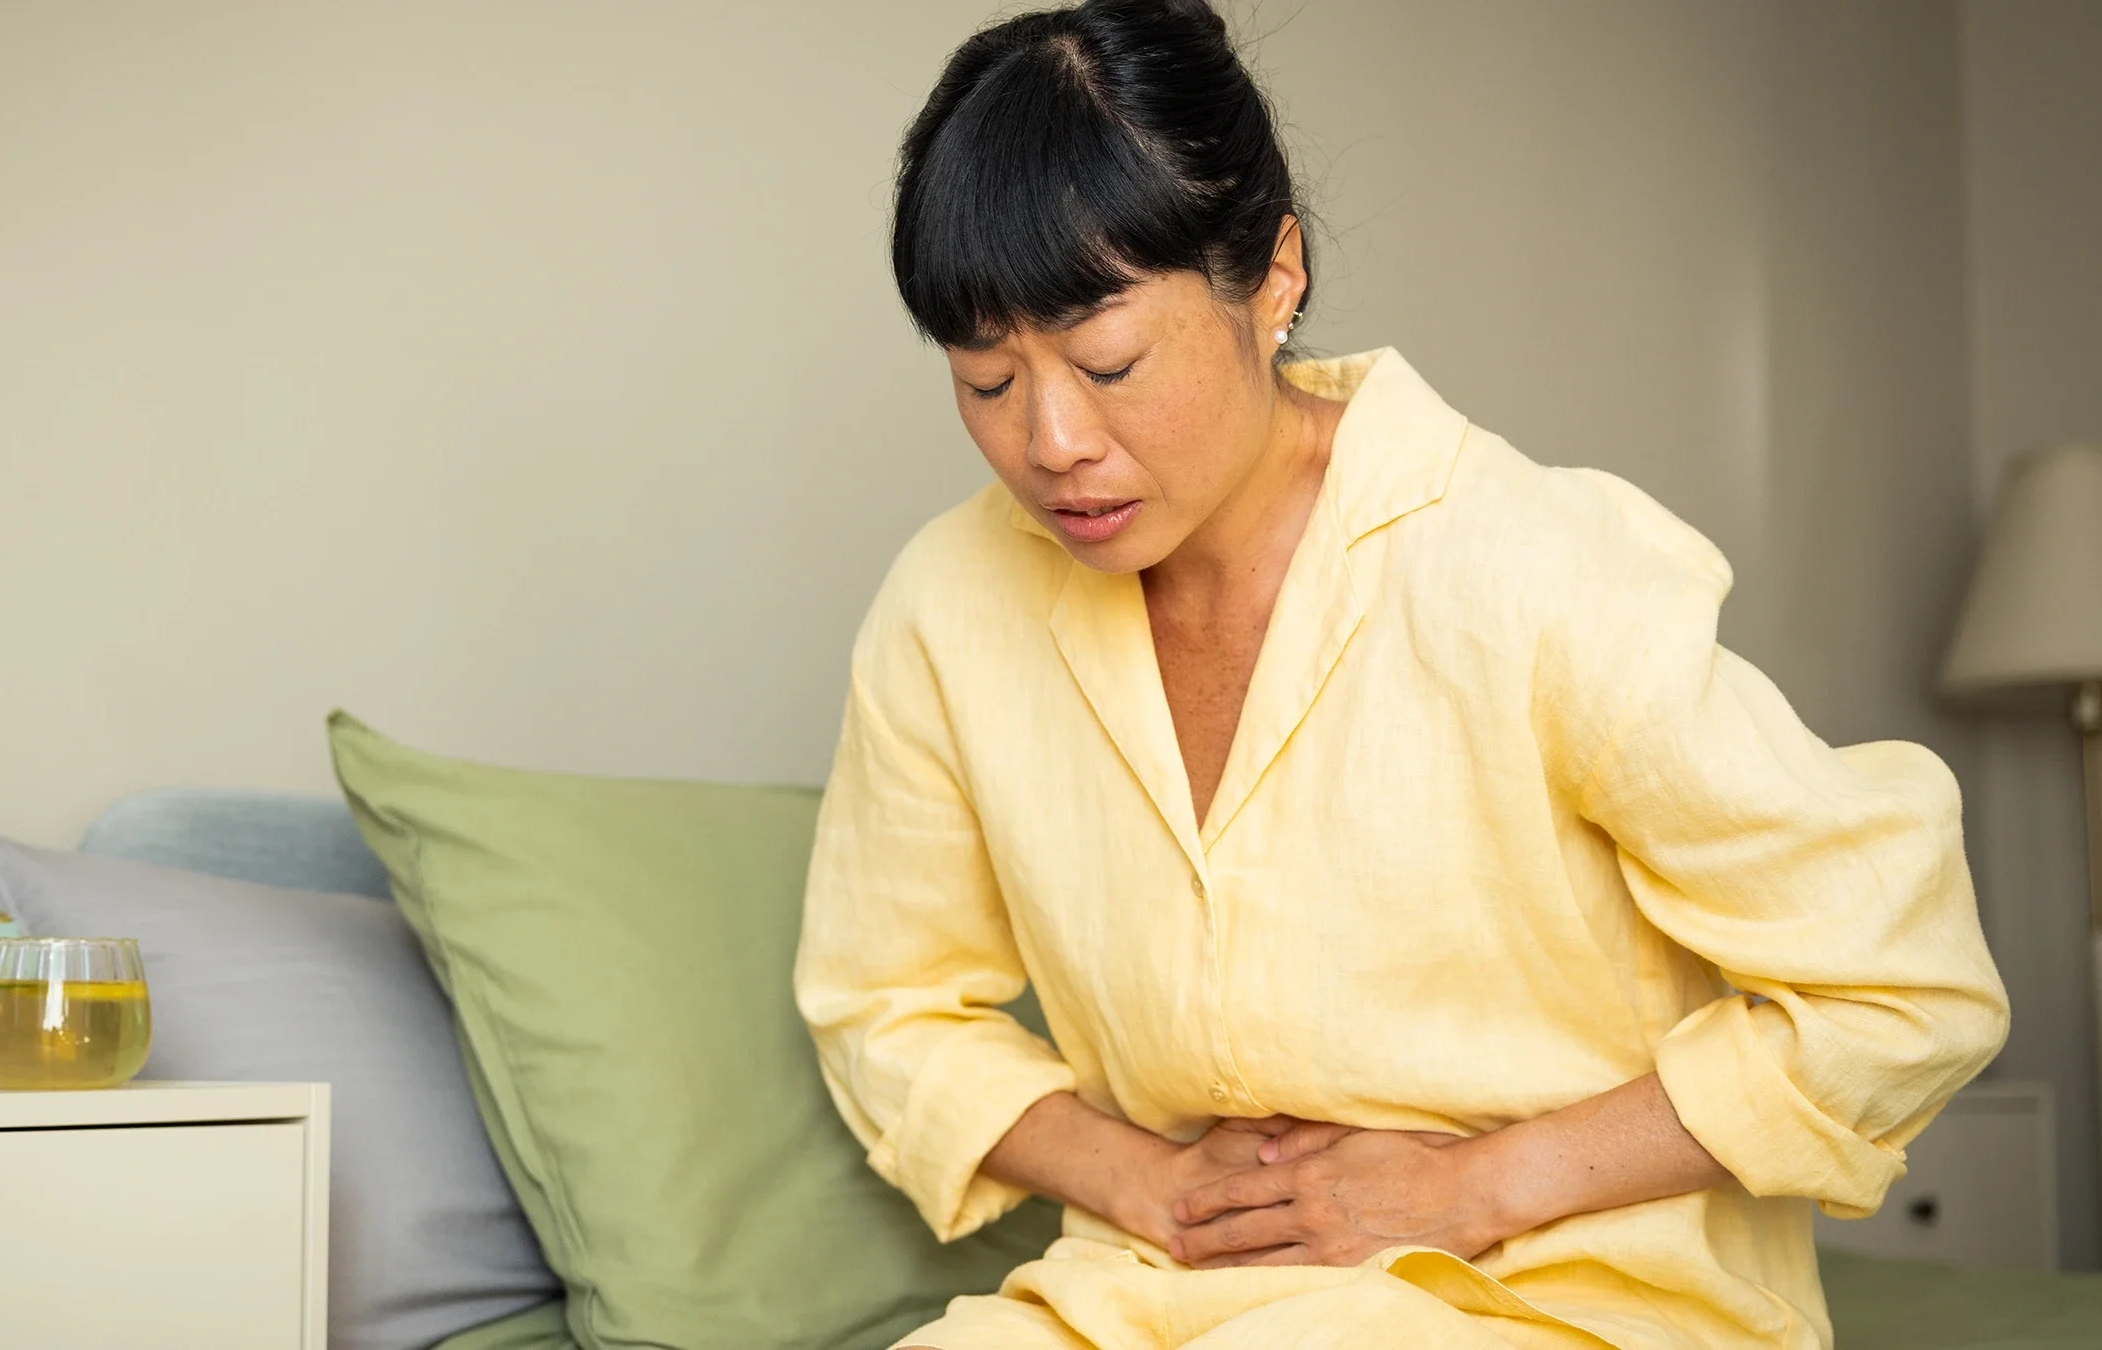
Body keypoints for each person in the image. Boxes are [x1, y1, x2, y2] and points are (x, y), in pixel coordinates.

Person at [792, 2, 2010, 1348]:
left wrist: (1470, 1186)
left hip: (1572, 1287)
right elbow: (882, 1004)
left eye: (1109, 362)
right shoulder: (949, 606)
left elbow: (1907, 983)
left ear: (1274, 275)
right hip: (1163, 1286)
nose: (1053, 439)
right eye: (986, 380)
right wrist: (1144, 1177)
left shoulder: (1531, 566)